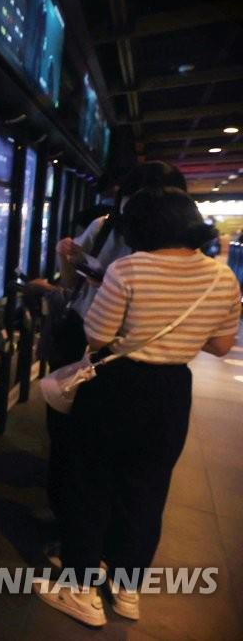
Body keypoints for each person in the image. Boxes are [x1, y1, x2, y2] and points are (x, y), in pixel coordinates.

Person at [35, 187, 240, 627]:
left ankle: (80, 590)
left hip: (117, 386)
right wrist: (179, 337)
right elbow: (222, 345)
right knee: (148, 490)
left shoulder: (128, 269)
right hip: (172, 391)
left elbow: (97, 337)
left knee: (91, 485)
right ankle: (127, 591)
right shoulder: (222, 278)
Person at [32, 161, 185, 529]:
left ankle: (89, 531)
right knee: (64, 432)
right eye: (131, 196)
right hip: (80, 336)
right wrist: (67, 256)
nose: (136, 205)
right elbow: (71, 285)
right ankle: (63, 517)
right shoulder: (104, 228)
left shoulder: (175, 245)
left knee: (101, 447)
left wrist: (114, 287)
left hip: (124, 351)